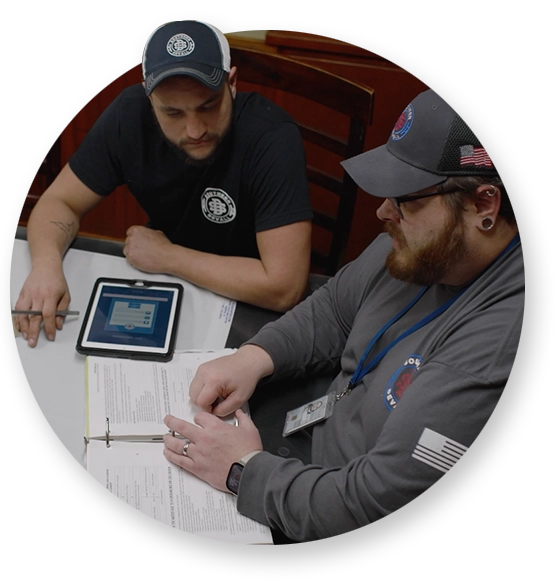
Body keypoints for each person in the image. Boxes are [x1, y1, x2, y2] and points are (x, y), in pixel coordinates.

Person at [161, 88, 524, 542]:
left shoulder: (493, 347)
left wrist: (240, 472)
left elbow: (368, 503)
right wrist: (255, 356)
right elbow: (336, 308)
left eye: (405, 198)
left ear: (483, 205)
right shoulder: (427, 242)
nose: (382, 211)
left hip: (331, 501)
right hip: (313, 430)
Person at [15, 20, 313, 347]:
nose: (195, 129)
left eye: (208, 106)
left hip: (247, 307)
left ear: (232, 83)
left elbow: (285, 287)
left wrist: (169, 257)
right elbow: (60, 202)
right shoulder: (129, 115)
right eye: (173, 113)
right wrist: (45, 266)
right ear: (148, 95)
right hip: (166, 285)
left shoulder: (271, 137)